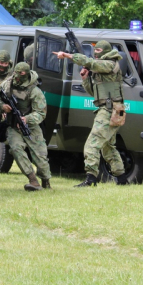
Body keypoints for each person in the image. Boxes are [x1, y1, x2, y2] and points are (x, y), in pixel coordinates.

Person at [55, 40, 127, 186]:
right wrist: (85, 78)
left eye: (99, 51)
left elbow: (92, 63)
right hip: (108, 109)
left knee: (91, 145)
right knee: (108, 147)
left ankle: (91, 179)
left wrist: (68, 56)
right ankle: (122, 179)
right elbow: (94, 94)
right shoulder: (102, 69)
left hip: (109, 111)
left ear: (106, 52)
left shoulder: (110, 64)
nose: (96, 54)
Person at [0, 62, 51, 191]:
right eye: (16, 74)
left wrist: (27, 119)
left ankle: (46, 181)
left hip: (30, 125)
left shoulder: (34, 91)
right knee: (16, 149)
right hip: (12, 125)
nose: (18, 78)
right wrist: (2, 107)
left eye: (21, 75)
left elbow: (41, 113)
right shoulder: (7, 85)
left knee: (40, 155)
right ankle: (33, 180)